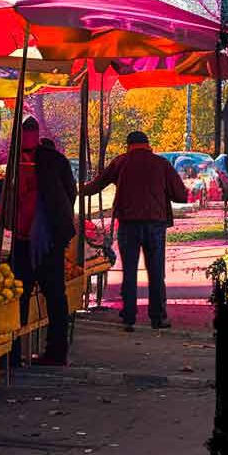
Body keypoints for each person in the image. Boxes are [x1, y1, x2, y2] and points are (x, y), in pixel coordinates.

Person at [83, 131, 187, 331]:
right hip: (155, 225)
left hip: (128, 223)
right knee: (156, 272)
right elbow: (180, 195)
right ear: (147, 144)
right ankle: (158, 317)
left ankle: (129, 317)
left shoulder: (120, 162)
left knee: (129, 271)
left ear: (128, 145)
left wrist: (76, 189)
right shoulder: (161, 164)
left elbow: (97, 185)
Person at [10, 117, 76, 366]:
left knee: (52, 296)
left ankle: (54, 352)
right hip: (23, 238)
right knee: (21, 295)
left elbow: (68, 193)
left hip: (46, 239)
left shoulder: (52, 160)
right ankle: (15, 352)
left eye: (28, 133)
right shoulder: (15, 160)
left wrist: (51, 224)